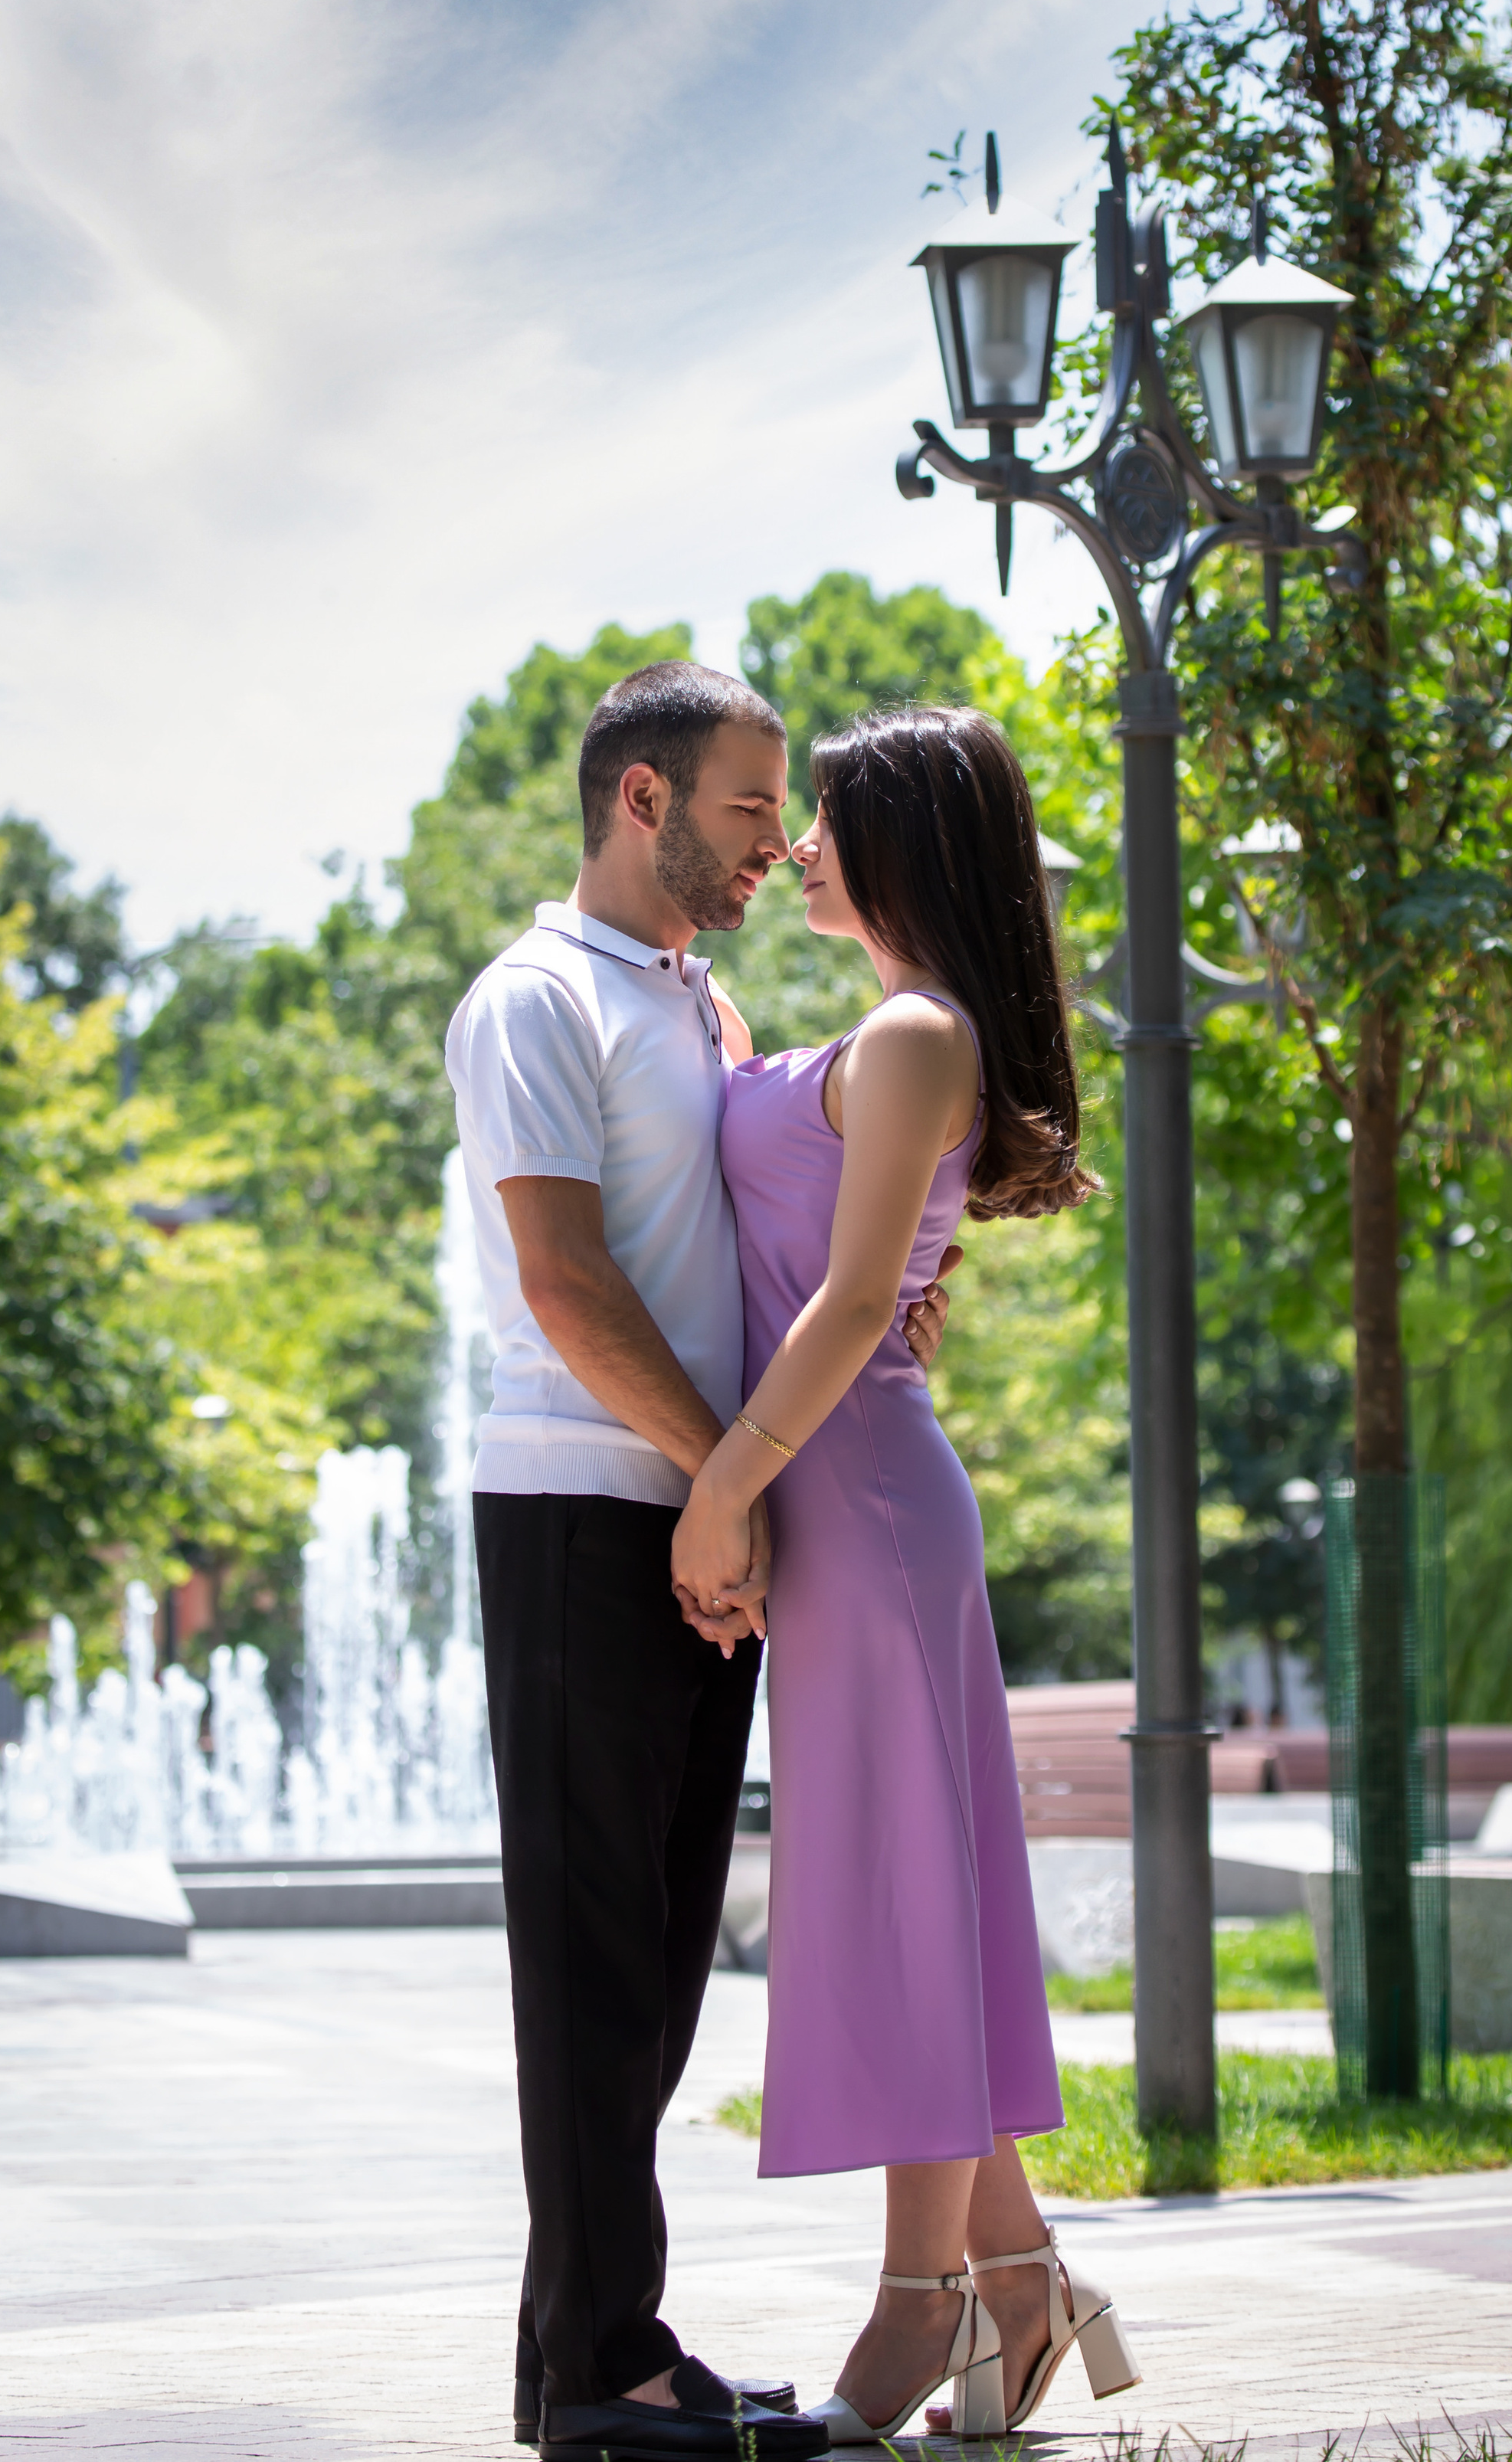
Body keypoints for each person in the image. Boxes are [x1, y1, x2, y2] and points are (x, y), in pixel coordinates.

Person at [443, 662, 951, 2462]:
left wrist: (739, 1487)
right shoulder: (533, 1003)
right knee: (590, 1960)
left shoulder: (691, 1003)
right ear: (640, 802)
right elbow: (567, 1287)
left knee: (653, 1962)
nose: (775, 841)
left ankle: (591, 2352)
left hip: (695, 1521)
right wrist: (712, 1484)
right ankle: (601, 2374)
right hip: (589, 1512)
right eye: (747, 807)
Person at [675, 705, 1143, 2445]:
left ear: (896, 847)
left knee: (893, 1906)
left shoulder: (920, 1030)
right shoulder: (874, 1034)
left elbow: (860, 1301)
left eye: (821, 820)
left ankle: (920, 2307)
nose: (791, 844)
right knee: (902, 1895)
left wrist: (722, 1489)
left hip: (853, 1503)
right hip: (845, 1500)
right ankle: (1019, 2296)